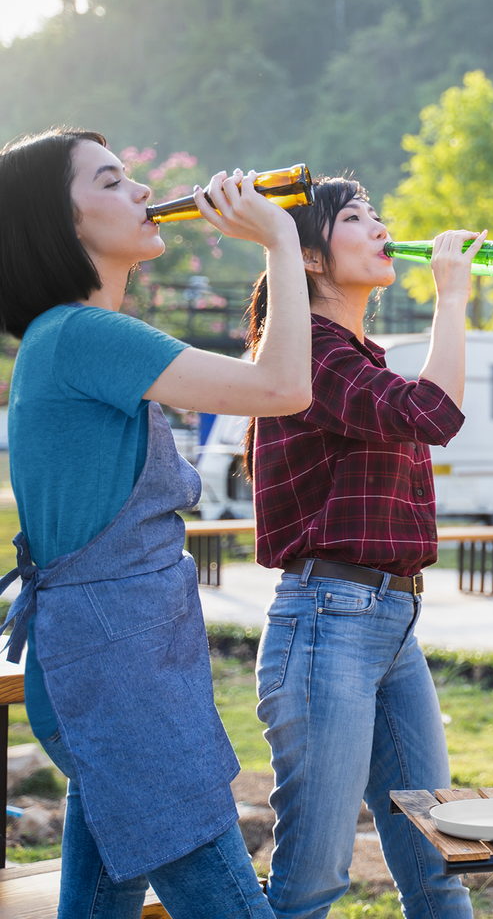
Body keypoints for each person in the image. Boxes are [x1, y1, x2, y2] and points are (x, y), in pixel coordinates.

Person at [0, 128, 312, 918]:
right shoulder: (82, 333)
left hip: (106, 662)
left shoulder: (65, 339)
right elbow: (282, 388)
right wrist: (278, 236)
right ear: (60, 224)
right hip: (116, 676)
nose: (143, 191)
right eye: (112, 181)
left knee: (99, 902)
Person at [247, 177, 482, 919]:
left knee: (436, 858)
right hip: (327, 620)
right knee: (314, 876)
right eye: (355, 218)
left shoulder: (357, 354)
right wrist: (452, 298)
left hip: (389, 623)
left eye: (379, 215)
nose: (381, 228)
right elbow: (435, 413)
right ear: (310, 258)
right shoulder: (309, 351)